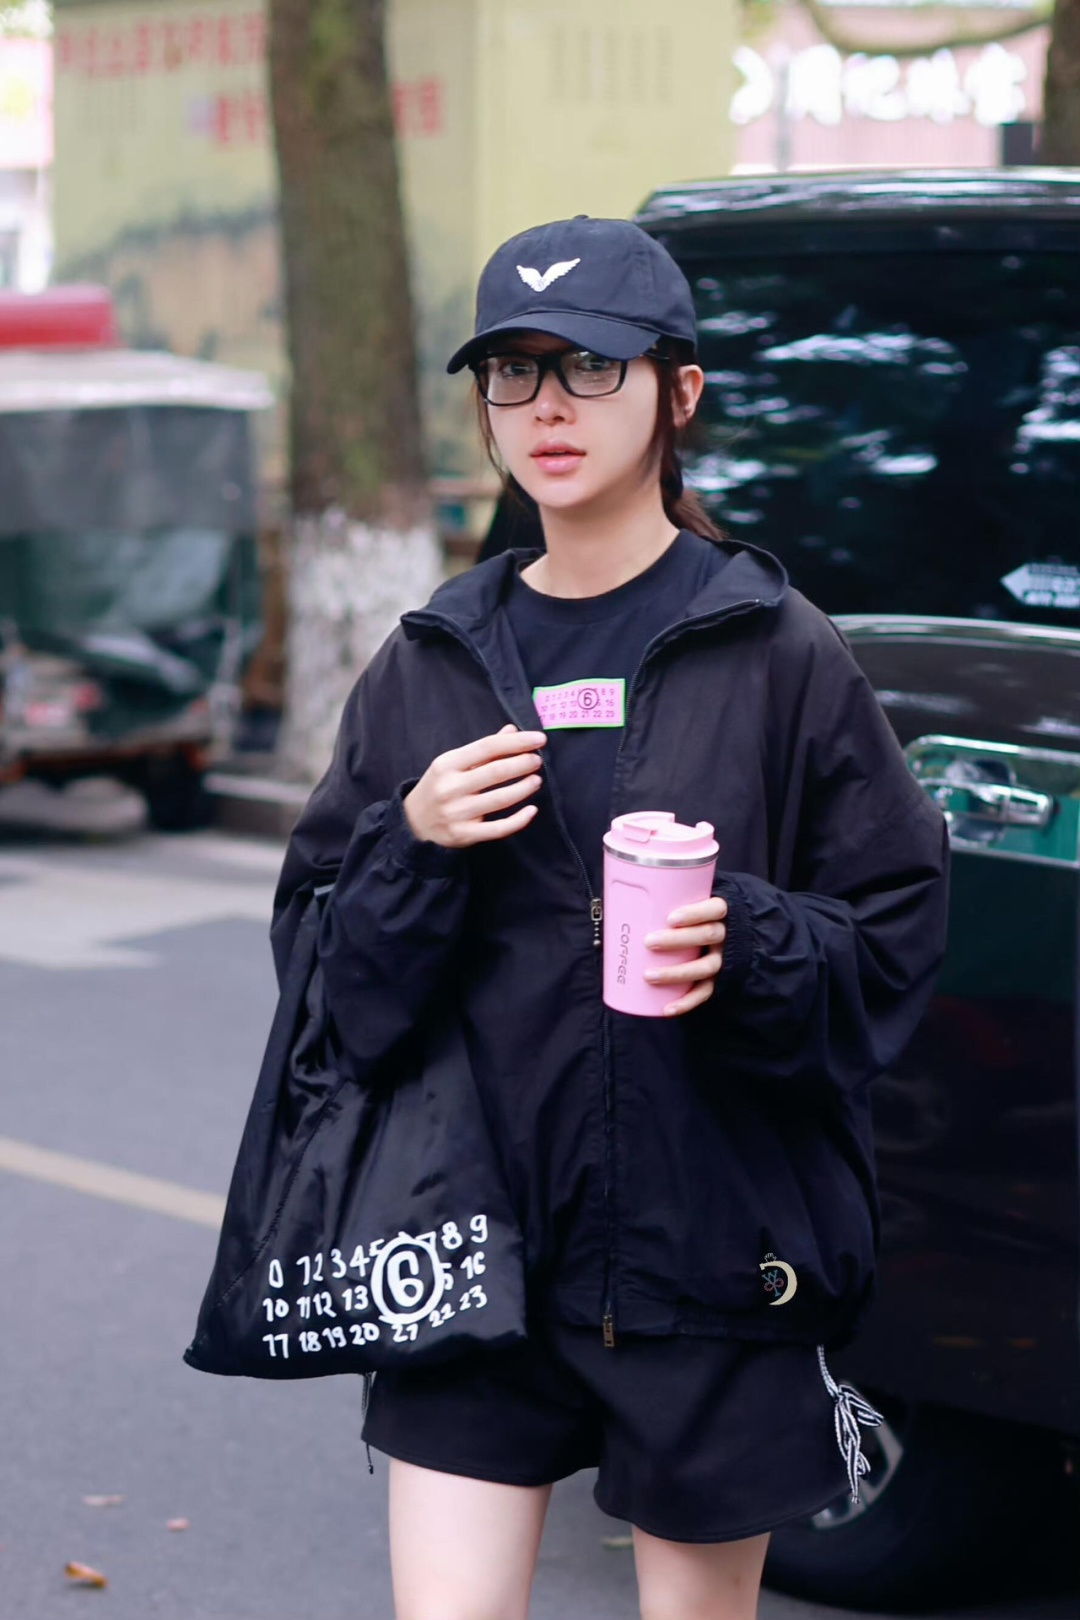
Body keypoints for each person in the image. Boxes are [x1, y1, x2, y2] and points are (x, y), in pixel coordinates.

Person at [273, 216, 949, 1620]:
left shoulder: (776, 649)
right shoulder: (430, 663)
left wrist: (745, 940)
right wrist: (412, 841)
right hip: (469, 1257)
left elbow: (892, 937)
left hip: (714, 1257)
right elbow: (329, 990)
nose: (548, 408)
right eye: (511, 373)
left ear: (678, 391)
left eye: (590, 366)